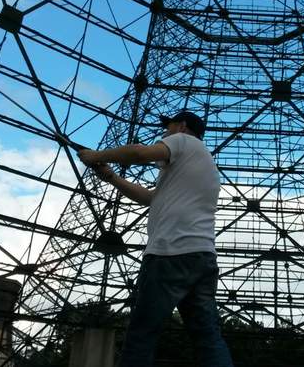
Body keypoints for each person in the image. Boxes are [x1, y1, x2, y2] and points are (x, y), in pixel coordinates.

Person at [76, 111, 233, 367]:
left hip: (170, 254)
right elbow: (149, 198)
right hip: (202, 257)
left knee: (142, 335)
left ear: (182, 126)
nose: (164, 134)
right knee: (207, 337)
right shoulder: (203, 166)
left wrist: (96, 156)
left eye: (168, 127)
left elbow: (139, 153)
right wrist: (110, 176)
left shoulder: (184, 142)